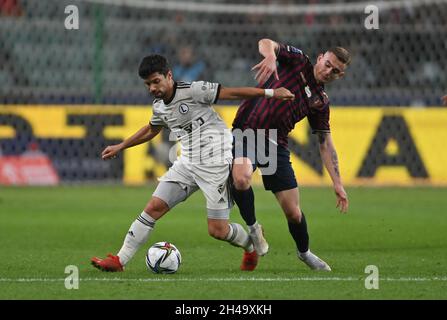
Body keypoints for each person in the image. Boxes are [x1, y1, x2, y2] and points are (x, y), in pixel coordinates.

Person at [91, 54, 294, 272]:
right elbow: (152, 129)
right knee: (153, 207)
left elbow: (231, 92)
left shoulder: (193, 90)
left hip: (216, 162)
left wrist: (271, 93)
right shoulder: (159, 106)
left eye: (156, 81)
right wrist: (121, 146)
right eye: (148, 84)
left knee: (217, 230)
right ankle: (119, 260)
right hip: (187, 163)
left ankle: (249, 247)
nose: (152, 88)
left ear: (169, 76)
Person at [231, 38, 351, 271]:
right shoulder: (298, 61)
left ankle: (304, 253)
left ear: (340, 76)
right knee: (241, 177)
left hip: (276, 146)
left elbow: (325, 142)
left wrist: (337, 183)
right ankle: (254, 229)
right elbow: (266, 42)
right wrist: (270, 56)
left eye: (335, 71)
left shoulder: (320, 101)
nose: (329, 71)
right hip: (246, 132)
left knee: (294, 213)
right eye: (327, 64)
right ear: (320, 58)